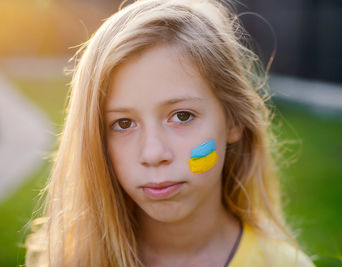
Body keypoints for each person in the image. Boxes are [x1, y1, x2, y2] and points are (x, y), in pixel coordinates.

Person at [25, 0, 315, 266]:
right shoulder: (69, 260)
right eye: (123, 123)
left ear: (233, 121)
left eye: (182, 116)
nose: (153, 154)